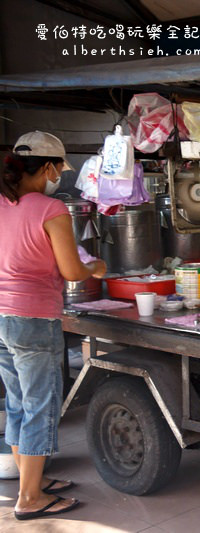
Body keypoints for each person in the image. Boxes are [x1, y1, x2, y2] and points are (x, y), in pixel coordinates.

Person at [0, 131, 106, 520]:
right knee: (40, 406)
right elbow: (72, 270)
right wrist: (96, 266)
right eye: (59, 168)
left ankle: (33, 481)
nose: (59, 176)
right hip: (32, 318)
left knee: (17, 403)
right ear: (47, 167)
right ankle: (30, 499)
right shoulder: (50, 209)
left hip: (1, 318)